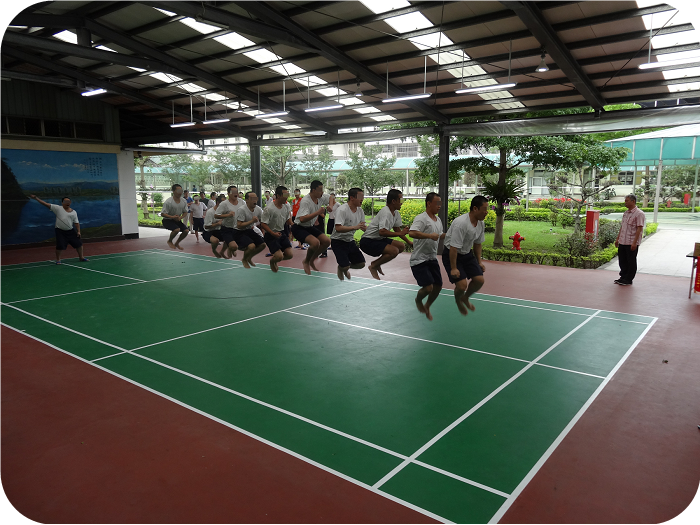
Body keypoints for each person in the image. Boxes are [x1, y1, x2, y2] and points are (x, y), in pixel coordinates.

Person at [441, 195, 488, 316]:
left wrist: (479, 262)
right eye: (484, 209)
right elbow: (453, 248)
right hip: (452, 254)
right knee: (461, 286)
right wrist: (454, 268)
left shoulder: (480, 223)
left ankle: (465, 298)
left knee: (479, 280)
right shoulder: (461, 223)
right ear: (475, 209)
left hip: (467, 254)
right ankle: (458, 300)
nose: (486, 212)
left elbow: (477, 244)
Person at [360, 188, 412, 280]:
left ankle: (377, 264)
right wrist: (400, 232)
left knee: (401, 246)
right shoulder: (386, 212)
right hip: (367, 242)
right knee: (394, 251)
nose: (402, 202)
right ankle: (373, 266)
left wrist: (409, 242)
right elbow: (382, 232)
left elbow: (397, 230)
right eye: (401, 200)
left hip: (378, 239)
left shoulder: (395, 213)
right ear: (393, 201)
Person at [409, 192, 445, 321]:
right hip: (419, 260)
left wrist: (452, 235)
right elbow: (412, 233)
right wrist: (429, 236)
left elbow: (440, 235)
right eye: (437, 203)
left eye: (440, 203)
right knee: (428, 287)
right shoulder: (421, 218)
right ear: (429, 203)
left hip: (431, 258)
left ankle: (427, 306)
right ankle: (418, 300)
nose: (439, 206)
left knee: (438, 286)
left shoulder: (438, 220)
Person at [29, 195, 89, 264]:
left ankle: (81, 257)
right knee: (60, 246)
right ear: (62, 203)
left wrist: (78, 231)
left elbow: (76, 223)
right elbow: (45, 204)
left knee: (79, 244)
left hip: (70, 231)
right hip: (60, 231)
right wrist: (36, 198)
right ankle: (58, 260)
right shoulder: (57, 208)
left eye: (68, 201)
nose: (67, 202)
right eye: (65, 201)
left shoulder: (74, 212)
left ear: (70, 202)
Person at [291, 180, 331, 275]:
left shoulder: (321, 197)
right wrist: (318, 212)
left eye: (323, 190)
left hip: (309, 226)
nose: (322, 192)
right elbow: (302, 219)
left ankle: (311, 260)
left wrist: (331, 206)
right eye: (320, 190)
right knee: (315, 243)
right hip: (299, 227)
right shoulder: (306, 201)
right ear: (313, 190)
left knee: (327, 241)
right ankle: (306, 261)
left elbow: (332, 197)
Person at [330, 188, 367, 281]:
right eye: (360, 197)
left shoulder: (360, 211)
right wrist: (355, 227)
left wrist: (376, 234)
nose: (362, 199)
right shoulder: (342, 210)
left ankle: (342, 267)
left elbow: (363, 227)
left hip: (350, 241)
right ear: (352, 198)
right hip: (338, 242)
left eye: (363, 197)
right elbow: (338, 228)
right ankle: (343, 267)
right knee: (345, 265)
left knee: (361, 264)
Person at [261, 186, 294, 272]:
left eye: (288, 194)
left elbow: (288, 220)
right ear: (278, 196)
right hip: (271, 235)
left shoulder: (286, 206)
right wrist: (272, 233)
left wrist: (294, 225)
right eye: (285, 194)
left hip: (281, 233)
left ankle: (276, 259)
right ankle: (273, 261)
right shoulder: (269, 209)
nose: (287, 197)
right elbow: (263, 224)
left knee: (289, 255)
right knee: (279, 256)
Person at [614, 193, 645, 286]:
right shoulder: (626, 213)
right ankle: (623, 276)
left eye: (627, 201)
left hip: (631, 242)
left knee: (631, 261)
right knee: (622, 260)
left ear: (633, 201)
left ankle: (628, 279)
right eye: (625, 201)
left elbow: (639, 229)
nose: (625, 203)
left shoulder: (639, 214)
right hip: (623, 241)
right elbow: (622, 227)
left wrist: (634, 243)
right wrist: (617, 239)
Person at [234, 191, 267, 268]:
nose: (255, 200)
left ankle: (249, 257)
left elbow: (263, 221)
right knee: (251, 246)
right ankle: (244, 259)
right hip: (239, 232)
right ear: (247, 200)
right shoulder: (242, 210)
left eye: (256, 198)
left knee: (262, 245)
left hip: (249, 230)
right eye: (252, 198)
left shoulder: (258, 209)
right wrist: (252, 221)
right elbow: (239, 225)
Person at [215, 185, 242, 259]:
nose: (235, 193)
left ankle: (222, 251)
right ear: (228, 193)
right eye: (233, 192)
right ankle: (231, 248)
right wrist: (228, 215)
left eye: (236, 191)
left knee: (228, 242)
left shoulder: (241, 202)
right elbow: (216, 215)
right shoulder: (224, 204)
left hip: (237, 228)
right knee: (234, 246)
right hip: (226, 228)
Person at [160, 183, 190, 250]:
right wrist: (173, 217)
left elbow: (185, 212)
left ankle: (177, 243)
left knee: (186, 231)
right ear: (173, 191)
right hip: (167, 220)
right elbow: (163, 214)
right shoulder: (168, 202)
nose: (180, 193)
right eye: (178, 191)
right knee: (177, 229)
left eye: (181, 191)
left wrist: (180, 217)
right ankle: (170, 241)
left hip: (177, 219)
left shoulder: (183, 201)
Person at [320, 192, 339, 259]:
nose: (332, 199)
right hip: (330, 219)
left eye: (333, 197)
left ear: (335, 197)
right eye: (331, 197)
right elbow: (328, 212)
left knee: (335, 232)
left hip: (336, 219)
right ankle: (331, 245)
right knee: (330, 232)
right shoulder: (328, 205)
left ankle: (335, 245)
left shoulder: (338, 204)